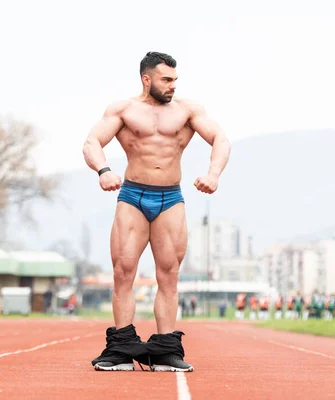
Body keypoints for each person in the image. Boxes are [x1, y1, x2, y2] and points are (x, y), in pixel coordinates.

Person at [84, 51, 231, 372]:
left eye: (175, 80)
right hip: (133, 195)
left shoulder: (188, 110)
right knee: (123, 272)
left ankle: (165, 350)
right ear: (146, 79)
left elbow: (220, 138)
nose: (173, 86)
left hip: (170, 198)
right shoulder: (123, 109)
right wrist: (104, 170)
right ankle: (122, 348)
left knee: (169, 274)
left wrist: (213, 174)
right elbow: (92, 141)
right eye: (166, 80)